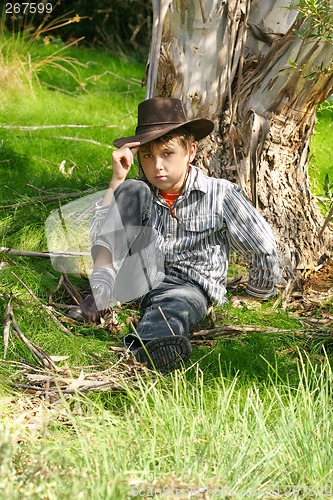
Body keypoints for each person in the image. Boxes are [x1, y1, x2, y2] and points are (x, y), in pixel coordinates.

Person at [69, 97, 280, 373]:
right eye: (147, 156)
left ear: (190, 152)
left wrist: (257, 295)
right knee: (133, 189)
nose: (157, 165)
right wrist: (117, 182)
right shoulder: (140, 192)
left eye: (167, 154)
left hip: (188, 287)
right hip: (138, 278)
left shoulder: (219, 194)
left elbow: (262, 245)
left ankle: (152, 350)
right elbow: (101, 238)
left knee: (173, 308)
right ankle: (99, 295)